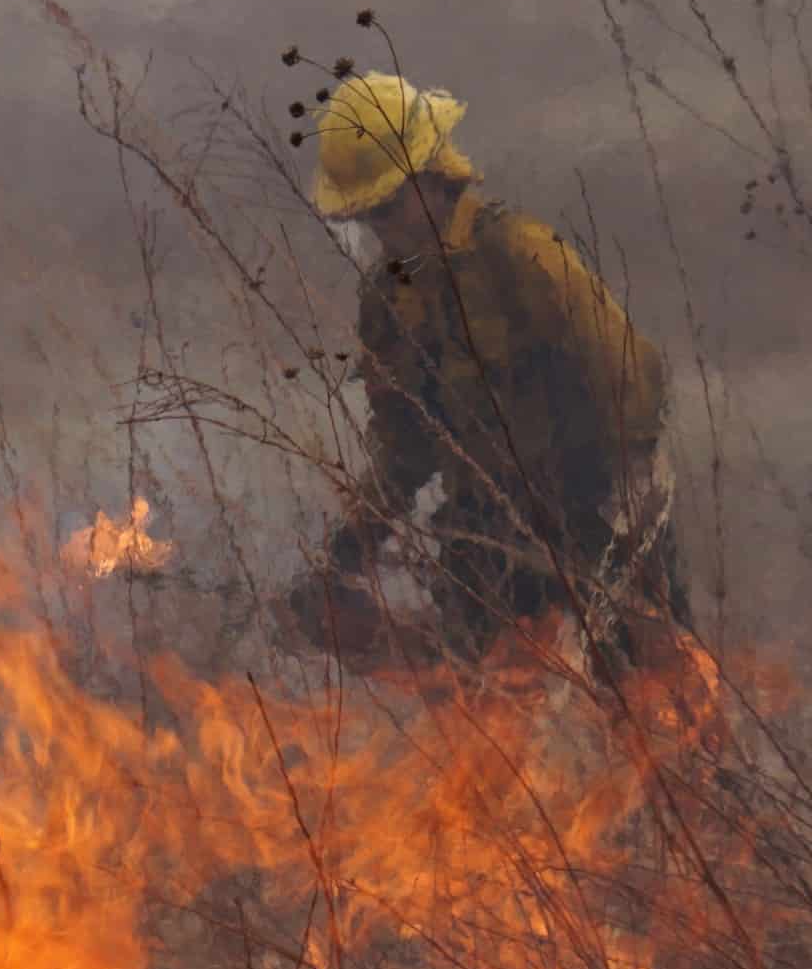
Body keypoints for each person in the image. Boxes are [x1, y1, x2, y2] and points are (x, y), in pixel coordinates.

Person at [288, 72, 690, 680]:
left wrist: (623, 534)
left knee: (653, 711)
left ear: (434, 173)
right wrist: (354, 543)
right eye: (367, 215)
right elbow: (404, 444)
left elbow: (633, 382)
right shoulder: (389, 302)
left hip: (589, 519)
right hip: (485, 545)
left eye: (390, 205)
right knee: (490, 723)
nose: (382, 229)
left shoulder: (521, 253)